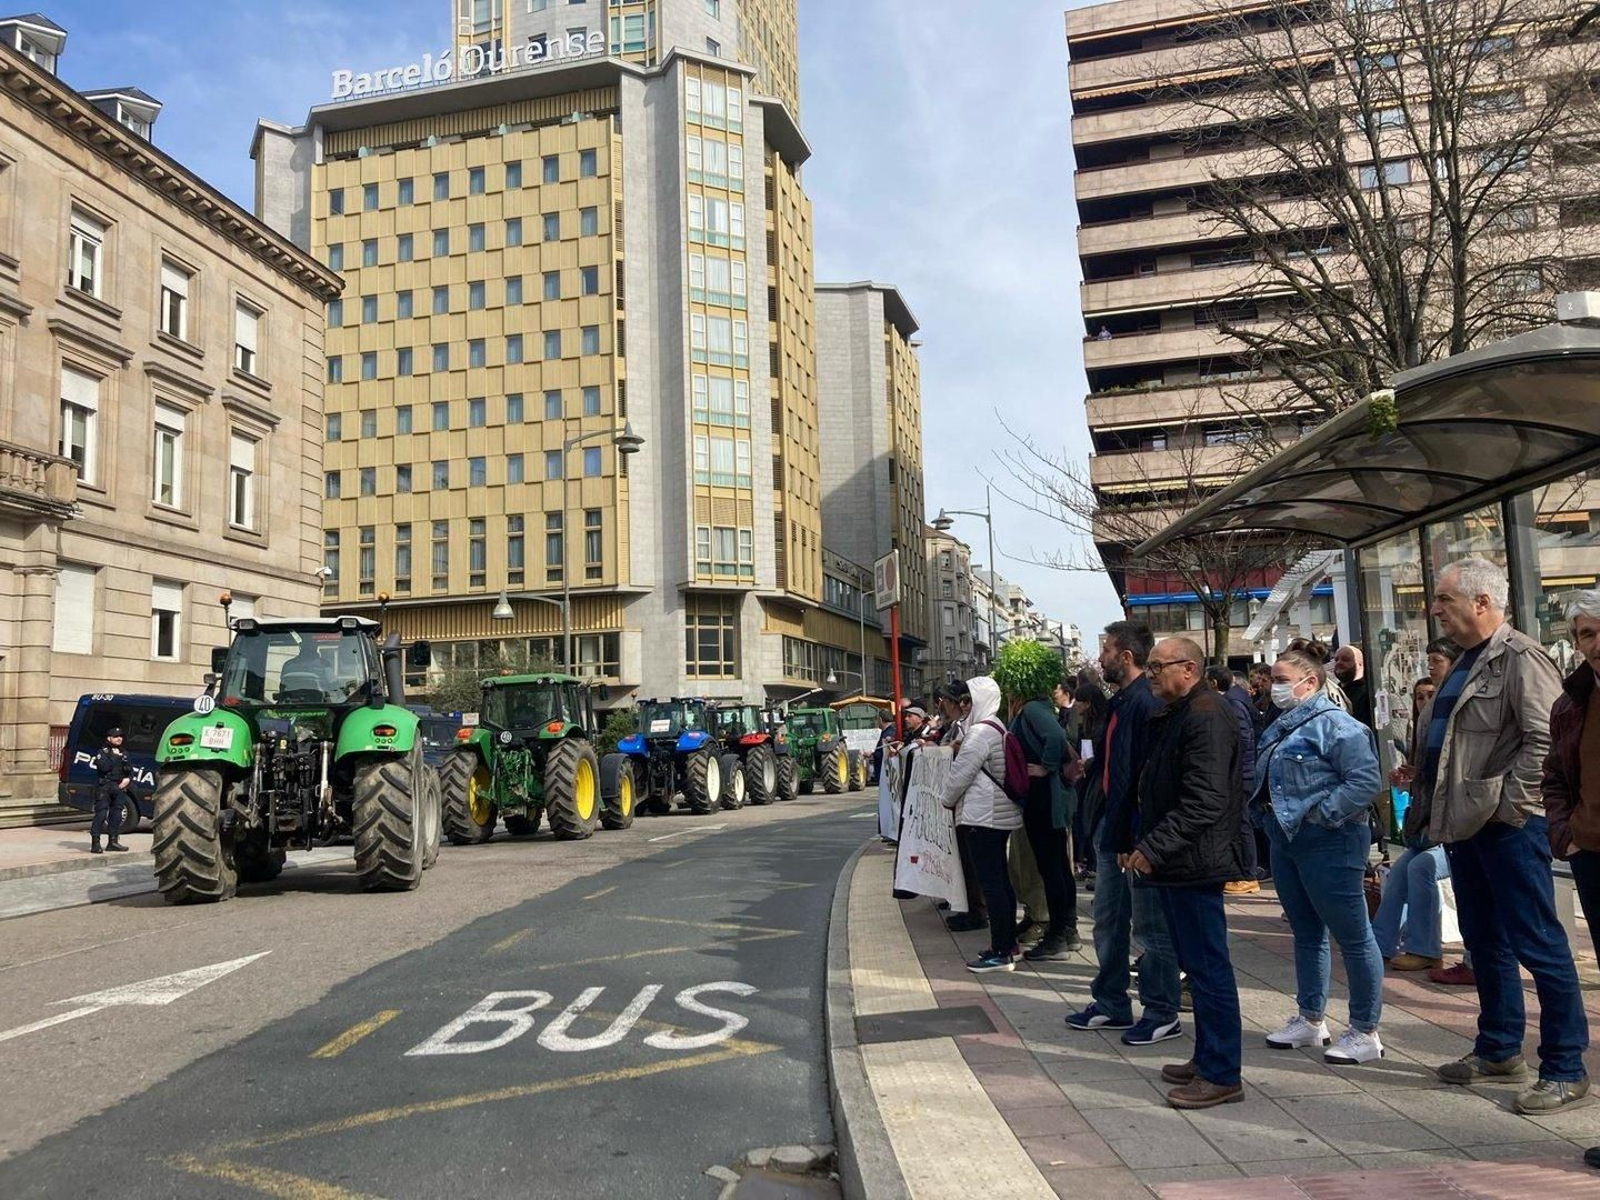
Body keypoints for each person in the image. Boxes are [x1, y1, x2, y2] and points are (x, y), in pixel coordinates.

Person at [1418, 557, 1585, 1115]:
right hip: (1467, 827)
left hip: (1506, 828)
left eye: (1445, 599)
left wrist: (1509, 809)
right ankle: (1498, 1050)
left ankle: (1564, 1066)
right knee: (1484, 941)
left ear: (1482, 602)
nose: (1435, 608)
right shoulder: (1467, 660)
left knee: (1538, 943)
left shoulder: (1519, 657)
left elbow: (1545, 739)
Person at [1125, 637, 1247, 1109]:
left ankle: (1222, 1073)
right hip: (1182, 860)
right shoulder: (1183, 712)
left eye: (1159, 667)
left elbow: (1205, 800)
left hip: (1195, 861)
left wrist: (1154, 845)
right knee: (1196, 966)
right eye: (1150, 667)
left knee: (1208, 968)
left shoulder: (1206, 715)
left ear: (1189, 668)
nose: (1151, 674)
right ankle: (1207, 1057)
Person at [1255, 644, 1387, 1064]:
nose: (1273, 687)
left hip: (1330, 840)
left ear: (1309, 683)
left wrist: (1322, 814)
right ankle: (1311, 1019)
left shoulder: (1337, 726)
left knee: (1352, 935)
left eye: (1281, 680)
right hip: (1286, 837)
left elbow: (1366, 781)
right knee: (1306, 932)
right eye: (1273, 680)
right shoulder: (1281, 725)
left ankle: (1365, 1030)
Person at [1066, 621, 1183, 1048]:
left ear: (1126, 657)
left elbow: (1143, 776)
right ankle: (1112, 1001)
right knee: (1109, 921)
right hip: (1113, 831)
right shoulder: (1123, 702)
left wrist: (1135, 837)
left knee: (1149, 928)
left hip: (1135, 835)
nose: (1101, 659)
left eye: (1107, 651)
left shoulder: (1143, 704)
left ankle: (1161, 1010)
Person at [1542, 592, 1600, 1173]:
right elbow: (1554, 774)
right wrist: (1568, 835)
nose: (1594, 644)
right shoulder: (1573, 701)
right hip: (1593, 856)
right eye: (1585, 634)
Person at [942, 678, 1025, 972]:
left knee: (992, 885)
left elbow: (960, 775)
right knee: (1001, 881)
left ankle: (1001, 951)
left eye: (969, 699)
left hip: (982, 816)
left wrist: (946, 800)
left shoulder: (979, 733)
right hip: (998, 816)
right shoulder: (998, 727)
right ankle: (1008, 943)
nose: (964, 704)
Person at [1413, 638, 1476, 988]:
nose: (1430, 667)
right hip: (1441, 812)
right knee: (1413, 865)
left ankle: (1472, 958)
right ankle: (1410, 944)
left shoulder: (1456, 697)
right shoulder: (1434, 704)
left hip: (1469, 811)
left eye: (1436, 660)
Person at [1375, 677, 1450, 972]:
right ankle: (1380, 943)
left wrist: (1419, 777)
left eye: (1431, 695)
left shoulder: (1445, 731)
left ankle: (1425, 948)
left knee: (1422, 867)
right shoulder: (1419, 734)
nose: (1425, 701)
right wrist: (1409, 781)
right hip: (1427, 833)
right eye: (1419, 697)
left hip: (1452, 833)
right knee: (1400, 871)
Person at [1009, 672, 1078, 961]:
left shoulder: (1033, 708)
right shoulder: (1037, 708)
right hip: (1044, 797)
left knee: (1052, 868)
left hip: (1044, 798)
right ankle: (1067, 931)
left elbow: (1055, 736)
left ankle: (1058, 935)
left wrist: (1046, 767)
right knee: (1057, 866)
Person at [938, 682, 988, 934]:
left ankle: (977, 911)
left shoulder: (978, 731)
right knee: (967, 860)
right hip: (970, 806)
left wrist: (947, 798)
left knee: (975, 862)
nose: (943, 705)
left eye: (946, 700)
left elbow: (965, 768)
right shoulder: (960, 727)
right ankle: (969, 906)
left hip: (975, 808)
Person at [1207, 665, 1260, 896]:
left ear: (1214, 684)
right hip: (1243, 771)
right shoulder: (1236, 699)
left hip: (1242, 774)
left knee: (1242, 823)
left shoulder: (1232, 703)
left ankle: (1247, 875)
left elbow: (1242, 740)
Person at [90, 728, 134, 855]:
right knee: (101, 814)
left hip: (119, 787)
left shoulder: (124, 752)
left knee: (116, 815)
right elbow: (104, 767)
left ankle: (113, 842)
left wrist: (128, 779)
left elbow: (130, 769)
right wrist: (115, 757)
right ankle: (96, 843)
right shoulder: (103, 752)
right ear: (109, 738)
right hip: (105, 786)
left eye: (121, 736)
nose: (119, 738)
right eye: (116, 736)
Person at [1333, 645, 1374, 728]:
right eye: (1336, 659)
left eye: (1346, 659)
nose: (1339, 663)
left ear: (1360, 664)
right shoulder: (1334, 691)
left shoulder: (1368, 693)